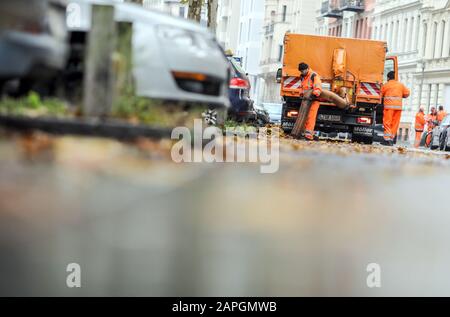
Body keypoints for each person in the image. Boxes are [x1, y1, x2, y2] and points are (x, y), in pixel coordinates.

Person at [380, 71, 410, 146]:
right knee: (395, 123)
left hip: (389, 107)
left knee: (387, 123)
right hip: (398, 108)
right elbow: (407, 93)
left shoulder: (386, 85)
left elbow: (380, 94)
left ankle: (387, 139)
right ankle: (391, 138)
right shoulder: (400, 85)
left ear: (388, 78)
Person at [298, 62, 322, 140]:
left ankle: (308, 135)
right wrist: (301, 93)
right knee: (304, 116)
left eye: (303, 71)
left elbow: (317, 85)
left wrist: (316, 93)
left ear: (307, 69)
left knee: (310, 117)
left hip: (314, 100)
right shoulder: (303, 77)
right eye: (301, 71)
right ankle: (304, 133)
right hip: (306, 100)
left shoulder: (313, 75)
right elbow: (302, 87)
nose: (302, 72)